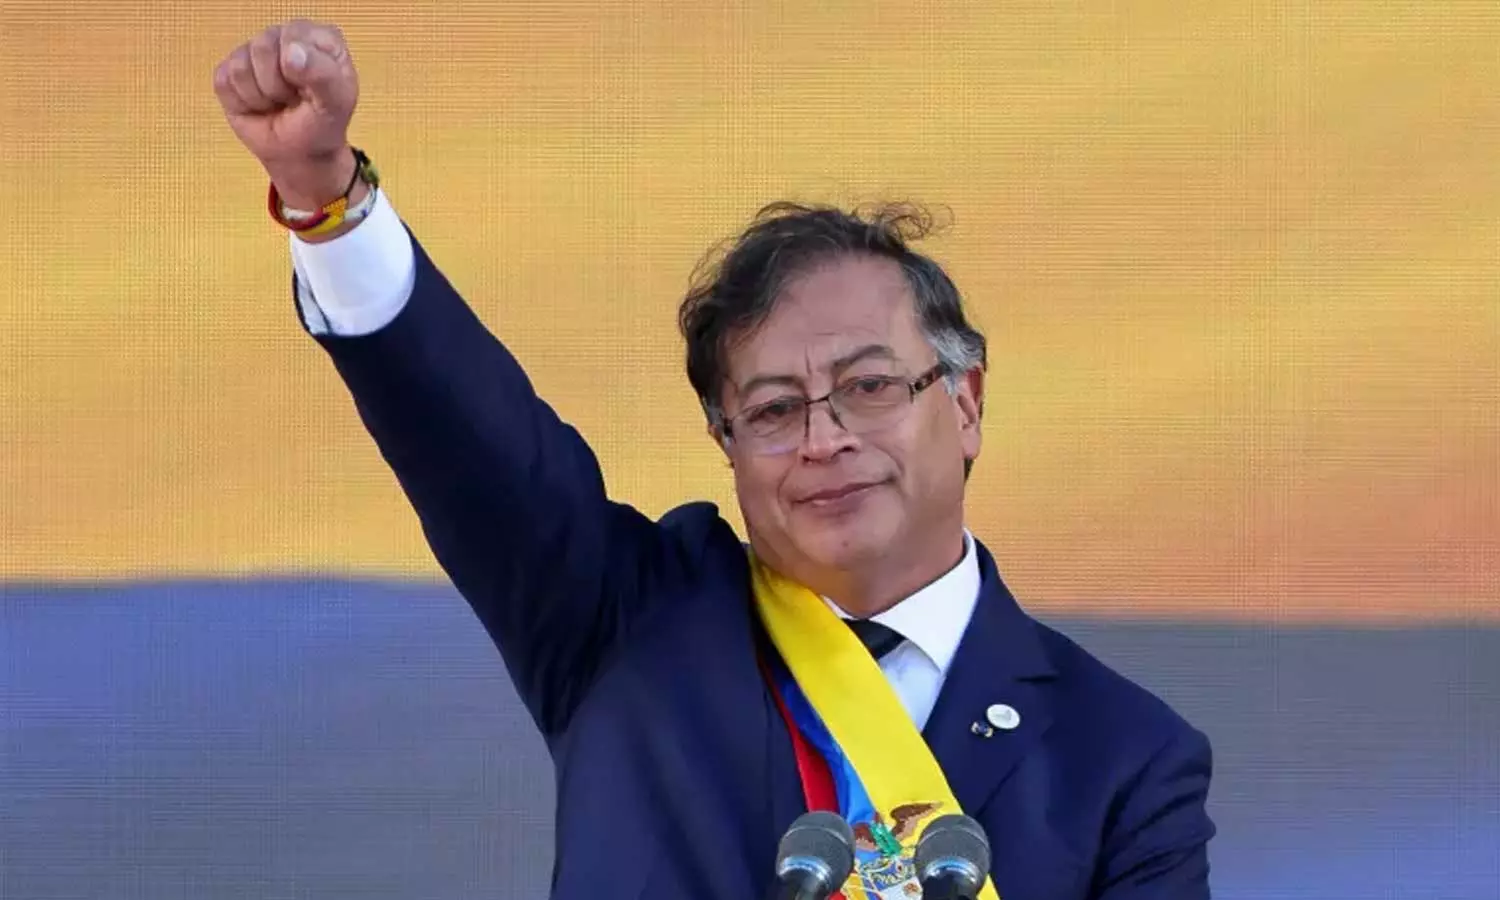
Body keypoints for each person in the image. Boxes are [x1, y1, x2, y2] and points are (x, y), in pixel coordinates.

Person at [213, 19, 1216, 900]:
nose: (824, 438)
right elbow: (467, 436)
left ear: (965, 402)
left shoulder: (1124, 759)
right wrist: (327, 198)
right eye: (774, 409)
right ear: (725, 444)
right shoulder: (622, 620)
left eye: (868, 387)